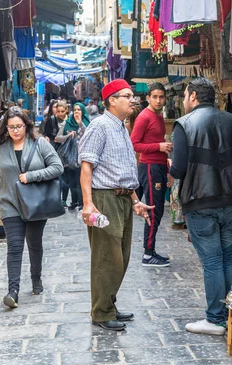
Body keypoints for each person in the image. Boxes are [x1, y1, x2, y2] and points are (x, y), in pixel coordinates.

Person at [170, 77, 232, 335]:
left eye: (185, 95)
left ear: (193, 96)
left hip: (201, 201)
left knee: (213, 261)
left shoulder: (184, 124)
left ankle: (216, 318)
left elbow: (179, 169)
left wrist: (170, 164)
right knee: (228, 257)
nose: (184, 100)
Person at [78, 79, 155, 331]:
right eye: (127, 96)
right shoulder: (100, 126)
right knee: (106, 257)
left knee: (121, 256)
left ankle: (109, 304)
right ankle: (101, 312)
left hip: (122, 198)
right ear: (112, 100)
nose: (132, 100)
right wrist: (88, 204)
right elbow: (86, 166)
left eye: (132, 96)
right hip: (105, 198)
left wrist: (135, 200)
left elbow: (122, 170)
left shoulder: (121, 126)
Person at [0, 107, 64, 308]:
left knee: (34, 244)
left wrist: (32, 176)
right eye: (11, 127)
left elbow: (57, 167)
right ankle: (12, 291)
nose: (15, 130)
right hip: (10, 203)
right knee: (14, 247)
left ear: (26, 125)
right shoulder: (1, 148)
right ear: (6, 127)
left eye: (19, 126)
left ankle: (36, 279)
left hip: (35, 204)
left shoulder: (39, 144)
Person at [130, 83, 172, 267]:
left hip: (160, 166)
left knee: (159, 210)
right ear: (148, 97)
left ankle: (151, 249)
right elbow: (134, 144)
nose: (158, 100)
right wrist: (159, 147)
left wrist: (168, 170)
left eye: (161, 97)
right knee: (153, 209)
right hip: (149, 167)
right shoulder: (144, 117)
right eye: (154, 96)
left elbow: (158, 143)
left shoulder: (159, 116)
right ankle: (148, 254)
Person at [55, 102, 90, 210]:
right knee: (72, 182)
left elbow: (88, 135)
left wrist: (80, 123)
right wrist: (68, 135)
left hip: (82, 157)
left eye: (79, 110)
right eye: (75, 110)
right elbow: (58, 138)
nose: (76, 112)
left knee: (81, 181)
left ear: (82, 111)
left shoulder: (86, 122)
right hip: (69, 157)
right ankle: (74, 202)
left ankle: (81, 202)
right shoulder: (68, 122)